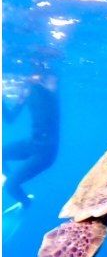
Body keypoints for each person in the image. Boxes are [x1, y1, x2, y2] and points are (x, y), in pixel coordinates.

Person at [3, 66, 60, 210]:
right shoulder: (27, 92)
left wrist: (35, 81)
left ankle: (26, 203)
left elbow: (51, 84)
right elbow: (10, 118)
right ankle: (10, 177)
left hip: (46, 152)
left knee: (10, 187)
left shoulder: (49, 91)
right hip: (33, 143)